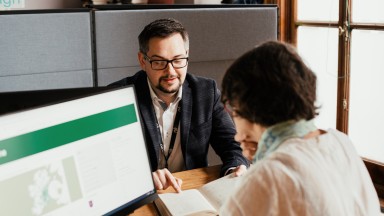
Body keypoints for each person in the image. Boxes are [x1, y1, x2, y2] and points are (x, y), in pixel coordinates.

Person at [219, 41, 381, 215]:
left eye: (234, 112)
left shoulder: (267, 177)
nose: (237, 136)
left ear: (250, 107)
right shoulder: (341, 142)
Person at [109, 18, 249, 192]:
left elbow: (233, 145)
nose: (171, 71)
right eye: (159, 62)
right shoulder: (117, 98)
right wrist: (142, 179)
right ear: (142, 61)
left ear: (187, 56)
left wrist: (236, 168)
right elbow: (108, 164)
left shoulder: (206, 92)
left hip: (190, 190)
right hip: (143, 194)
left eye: (178, 60)